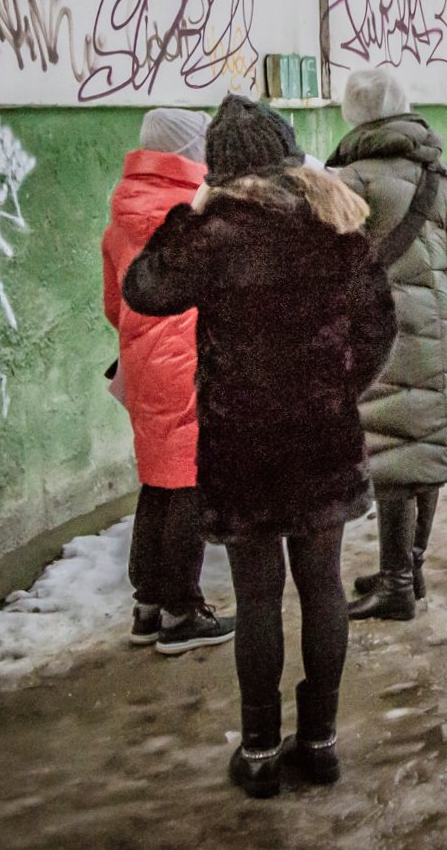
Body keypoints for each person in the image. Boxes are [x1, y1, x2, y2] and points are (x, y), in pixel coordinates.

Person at [123, 95, 397, 799]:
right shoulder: (336, 220)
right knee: (323, 584)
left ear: (223, 166)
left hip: (243, 448)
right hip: (321, 441)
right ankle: (323, 741)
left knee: (259, 597)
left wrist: (189, 208)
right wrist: (337, 388)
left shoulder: (212, 232)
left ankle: (259, 751)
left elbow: (144, 286)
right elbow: (379, 328)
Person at [327, 69, 447, 623]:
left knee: (391, 450)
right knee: (427, 444)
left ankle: (394, 584)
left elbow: (328, 270)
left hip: (379, 335)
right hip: (436, 328)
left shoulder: (345, 182)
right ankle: (410, 567)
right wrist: (436, 308)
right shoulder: (438, 172)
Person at [101, 108, 233, 655]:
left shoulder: (121, 216)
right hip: (189, 358)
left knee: (158, 480)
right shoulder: (192, 212)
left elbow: (115, 303)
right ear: (188, 153)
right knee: (186, 484)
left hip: (140, 363)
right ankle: (182, 612)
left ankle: (148, 605)